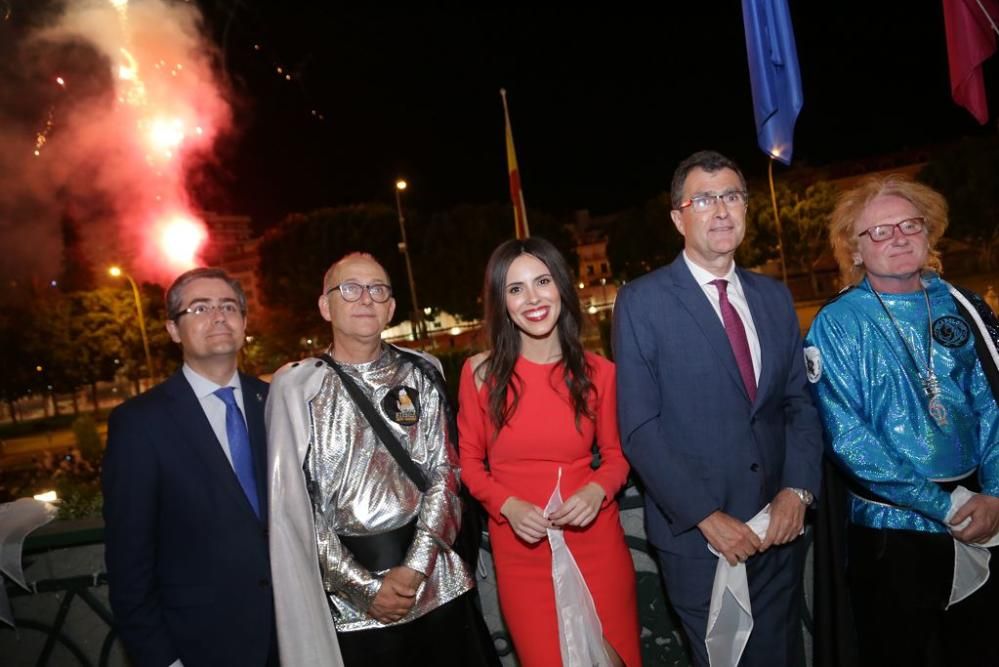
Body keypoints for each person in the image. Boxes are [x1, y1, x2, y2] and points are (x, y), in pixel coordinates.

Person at [612, 150, 823, 666]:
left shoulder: (774, 297)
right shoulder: (642, 302)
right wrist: (706, 516)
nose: (722, 210)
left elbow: (798, 403)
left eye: (732, 196)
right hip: (700, 546)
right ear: (678, 218)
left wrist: (797, 490)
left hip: (778, 534)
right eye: (704, 199)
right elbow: (640, 428)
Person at [266, 252, 498, 667]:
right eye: (350, 289)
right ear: (326, 306)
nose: (365, 299)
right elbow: (296, 509)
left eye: (378, 290)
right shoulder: (298, 387)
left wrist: (414, 570)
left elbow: (445, 474)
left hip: (436, 579)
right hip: (352, 604)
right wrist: (365, 589)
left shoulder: (421, 374)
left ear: (391, 307)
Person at [805, 175, 999, 667]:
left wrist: (995, 494)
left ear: (929, 233)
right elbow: (848, 437)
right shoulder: (837, 323)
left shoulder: (966, 307)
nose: (897, 237)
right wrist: (944, 504)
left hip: (984, 514)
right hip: (893, 533)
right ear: (854, 249)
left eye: (909, 225)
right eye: (880, 231)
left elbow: (994, 406)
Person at [458, 237, 640, 667]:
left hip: (595, 540)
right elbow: (467, 462)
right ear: (502, 302)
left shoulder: (601, 373)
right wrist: (507, 505)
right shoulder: (480, 374)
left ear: (561, 286)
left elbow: (617, 456)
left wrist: (596, 492)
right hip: (521, 551)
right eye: (515, 288)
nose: (533, 298)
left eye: (542, 281)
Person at [102, 267, 276, 667]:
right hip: (201, 646)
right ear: (173, 330)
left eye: (228, 306)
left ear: (244, 322)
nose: (217, 316)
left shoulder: (276, 403)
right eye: (199, 308)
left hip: (292, 637)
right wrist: (162, 659)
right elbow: (130, 563)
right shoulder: (138, 424)